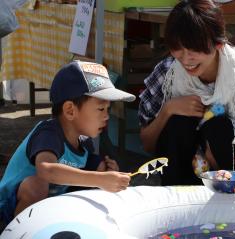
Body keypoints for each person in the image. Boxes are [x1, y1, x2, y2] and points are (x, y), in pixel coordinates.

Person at [138, 0, 235, 185]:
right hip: (182, 174)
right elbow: (148, 144)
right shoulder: (168, 73)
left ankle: (228, 193)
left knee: (217, 125)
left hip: (233, 171)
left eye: (194, 49)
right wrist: (168, 110)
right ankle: (179, 195)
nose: (186, 59)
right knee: (177, 123)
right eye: (178, 49)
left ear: (218, 44)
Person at [0, 60, 136, 223]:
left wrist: (106, 172)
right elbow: (47, 171)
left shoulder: (84, 142)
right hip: (8, 207)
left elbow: (93, 171)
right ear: (70, 110)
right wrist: (100, 180)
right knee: (36, 185)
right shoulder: (48, 133)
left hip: (45, 210)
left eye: (108, 109)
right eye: (101, 109)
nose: (106, 116)